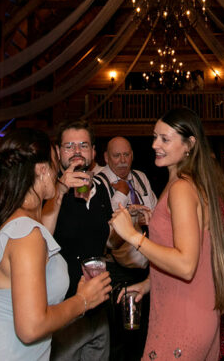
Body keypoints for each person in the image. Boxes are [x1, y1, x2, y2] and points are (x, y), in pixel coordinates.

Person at [0, 129, 111, 360]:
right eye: (55, 166)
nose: (58, 175)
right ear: (42, 170)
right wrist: (84, 300)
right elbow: (31, 328)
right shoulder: (26, 233)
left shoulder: (20, 222)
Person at [109, 107, 224, 360]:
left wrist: (132, 235)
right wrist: (147, 285)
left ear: (190, 145)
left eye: (165, 139)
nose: (155, 144)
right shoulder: (183, 183)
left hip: (183, 315)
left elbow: (186, 265)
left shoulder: (182, 189)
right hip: (189, 308)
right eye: (155, 137)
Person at [42, 120, 114, 361]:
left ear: (93, 152)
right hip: (64, 309)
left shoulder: (102, 191)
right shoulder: (47, 191)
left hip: (99, 307)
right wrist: (60, 191)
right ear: (58, 152)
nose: (76, 152)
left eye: (83, 145)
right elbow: (40, 242)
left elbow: (107, 244)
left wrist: (127, 229)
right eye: (69, 146)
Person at [96, 136, 157, 361]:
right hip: (117, 273)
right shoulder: (98, 182)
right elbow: (105, 236)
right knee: (119, 340)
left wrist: (147, 219)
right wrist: (121, 194)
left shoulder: (140, 177)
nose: (122, 161)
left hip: (146, 270)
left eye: (126, 155)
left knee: (144, 336)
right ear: (105, 157)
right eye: (116, 155)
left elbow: (155, 210)